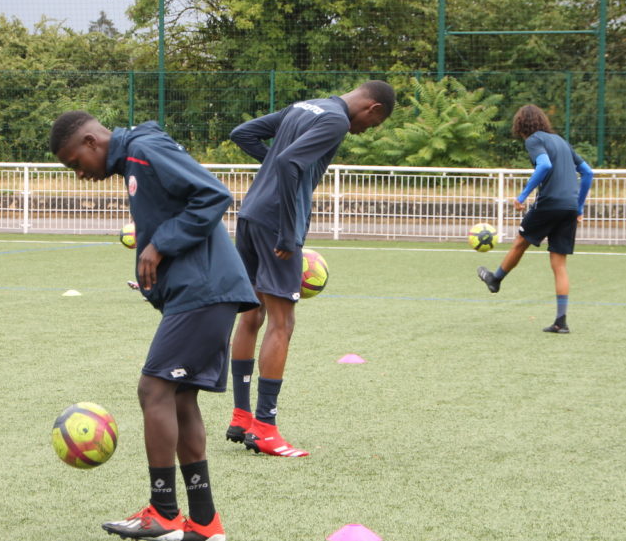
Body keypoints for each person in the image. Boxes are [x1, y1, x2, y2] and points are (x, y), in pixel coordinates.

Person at [49, 111, 258, 541]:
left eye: (75, 163)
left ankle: (163, 512)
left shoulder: (144, 150)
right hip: (199, 291)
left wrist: (159, 247)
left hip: (206, 291)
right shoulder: (134, 159)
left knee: (153, 389)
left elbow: (213, 194)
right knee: (180, 399)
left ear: (91, 141)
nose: (79, 174)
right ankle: (204, 523)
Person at [226, 80, 396, 458]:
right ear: (372, 109)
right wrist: (289, 232)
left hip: (251, 213)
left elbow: (243, 134)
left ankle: (241, 417)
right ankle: (266, 429)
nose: (366, 131)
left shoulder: (305, 105)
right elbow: (289, 163)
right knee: (282, 323)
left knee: (251, 315)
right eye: (373, 125)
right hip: (275, 224)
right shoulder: (336, 120)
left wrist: (270, 168)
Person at [476, 104, 594, 333]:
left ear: (521, 125)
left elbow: (545, 165)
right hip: (569, 206)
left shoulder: (533, 140)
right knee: (559, 265)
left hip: (549, 203)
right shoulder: (561, 141)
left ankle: (495, 279)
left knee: (521, 242)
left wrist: (522, 196)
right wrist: (579, 207)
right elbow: (588, 172)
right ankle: (561, 321)